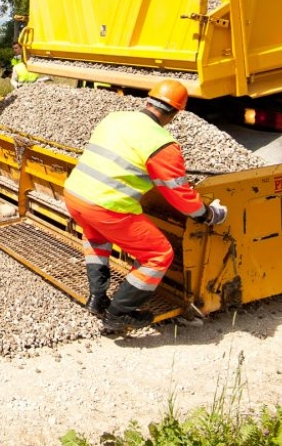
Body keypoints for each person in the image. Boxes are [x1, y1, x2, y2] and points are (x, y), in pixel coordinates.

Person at [62, 79, 227, 334]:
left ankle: (97, 299)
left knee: (97, 239)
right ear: (174, 113)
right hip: (106, 206)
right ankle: (119, 313)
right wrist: (209, 214)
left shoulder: (114, 119)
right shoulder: (163, 144)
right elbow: (180, 196)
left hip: (75, 195)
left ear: (148, 101)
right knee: (158, 254)